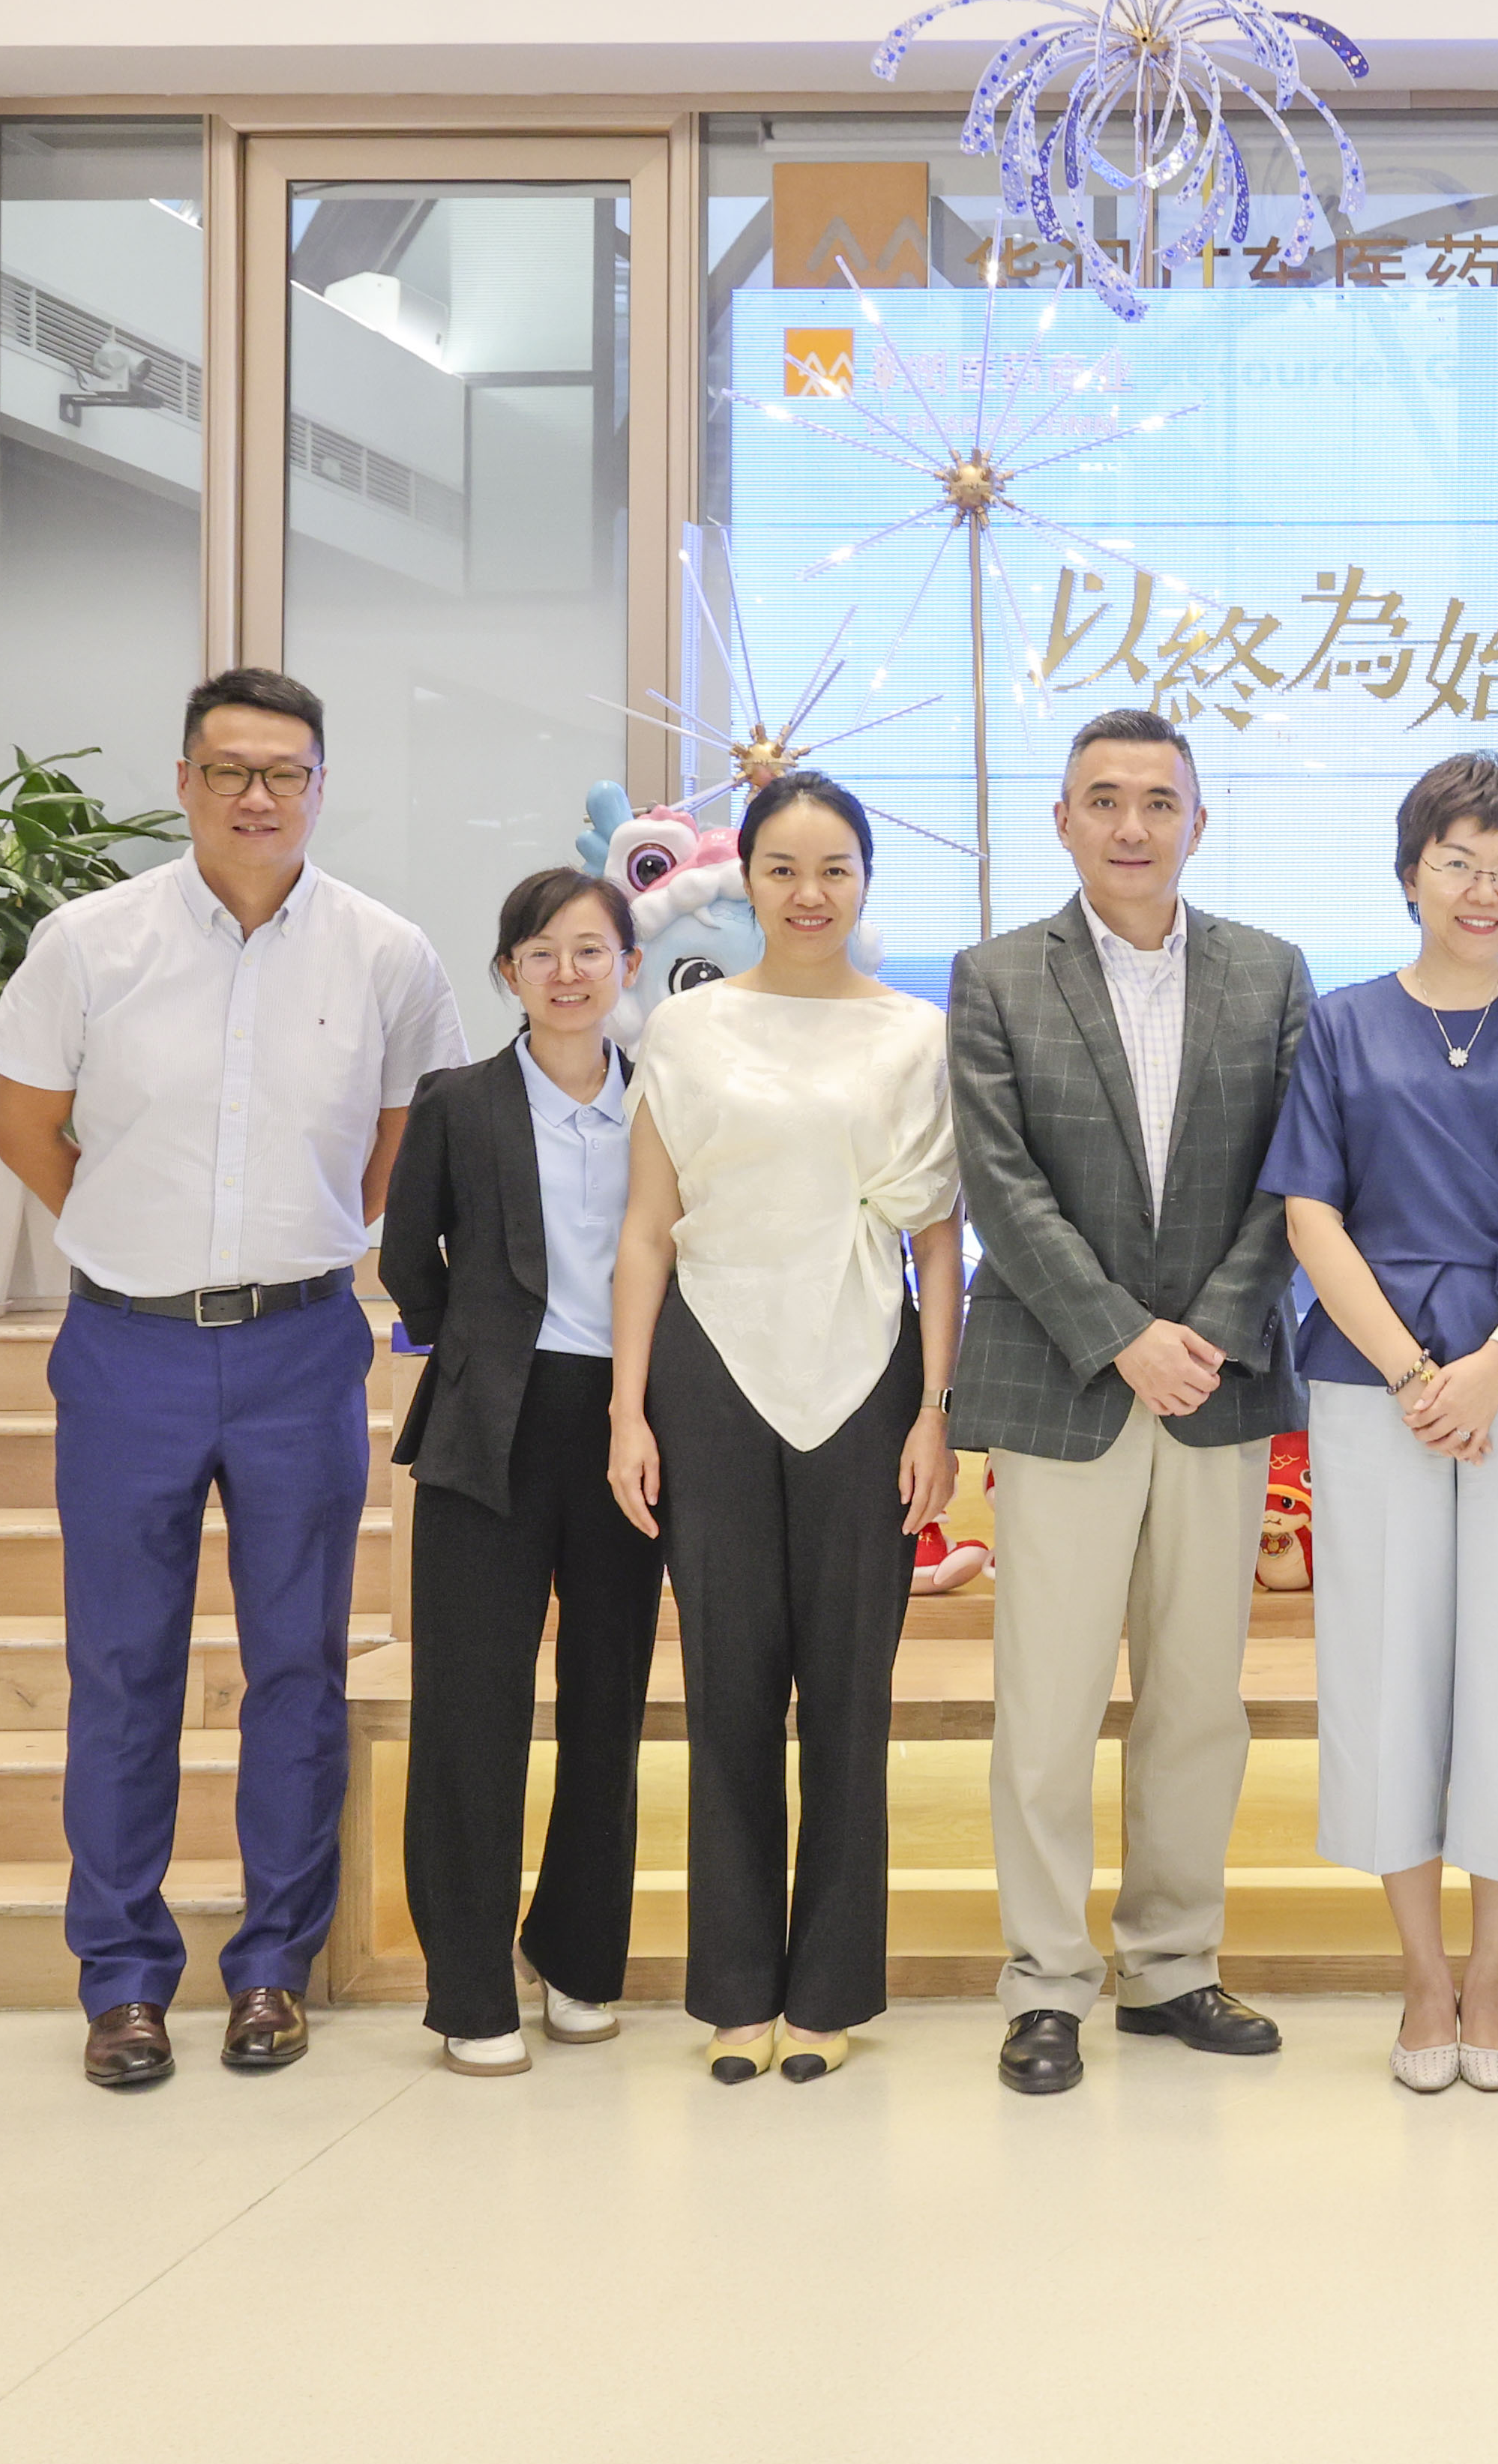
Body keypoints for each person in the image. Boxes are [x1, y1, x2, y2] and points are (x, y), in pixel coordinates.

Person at [0, 668, 466, 2091]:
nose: (259, 795)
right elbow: (27, 1128)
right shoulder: (90, 941)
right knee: (120, 1666)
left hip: (300, 1346)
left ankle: (271, 1969)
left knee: (298, 1667)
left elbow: (399, 1148)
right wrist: (132, 1240)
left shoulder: (386, 953)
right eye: (231, 770)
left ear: (320, 786)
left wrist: (292, 1244)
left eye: (285, 772)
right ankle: (124, 1979)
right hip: (125, 1347)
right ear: (187, 780)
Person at [1261, 752, 1498, 2093]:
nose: (1484, 889)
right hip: (1370, 1378)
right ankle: (1420, 1974)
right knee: (1382, 1668)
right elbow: (1309, 1211)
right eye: (1458, 862)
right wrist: (1413, 1369)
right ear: (1409, 872)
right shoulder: (1342, 1023)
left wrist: (1495, 1361)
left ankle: (1492, 1973)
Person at [947, 709, 1311, 2097]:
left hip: (1216, 1384)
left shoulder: (1269, 972)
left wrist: (1203, 1333)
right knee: (1045, 1710)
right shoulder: (994, 975)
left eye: (1160, 800)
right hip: (1063, 1382)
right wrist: (1120, 1336)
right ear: (1062, 821)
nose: (1132, 824)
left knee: (1196, 1703)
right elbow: (1000, 1185)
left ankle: (1170, 1965)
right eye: (1103, 799)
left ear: (1197, 822)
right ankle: (1046, 1982)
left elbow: (1294, 1174)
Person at [606, 771, 960, 2086]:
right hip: (709, 1366)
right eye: (782, 869)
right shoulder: (687, 1030)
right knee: (729, 1688)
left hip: (866, 1371)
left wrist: (935, 1411)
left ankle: (830, 1989)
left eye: (835, 869)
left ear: (866, 881)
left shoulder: (915, 1033)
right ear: (744, 878)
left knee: (850, 1694)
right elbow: (647, 1229)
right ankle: (737, 1987)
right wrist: (627, 1407)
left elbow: (939, 1241)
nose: (810, 894)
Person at [376, 868, 661, 2076]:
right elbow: (409, 1261)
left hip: (630, 1431)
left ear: (629, 967)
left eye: (590, 950)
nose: (566, 972)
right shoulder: (458, 1102)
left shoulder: (666, 1103)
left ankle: (580, 1958)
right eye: (539, 952)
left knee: (607, 1702)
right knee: (469, 1708)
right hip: (485, 1428)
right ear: (507, 973)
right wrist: (484, 1351)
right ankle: (470, 1983)